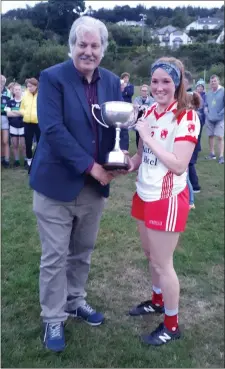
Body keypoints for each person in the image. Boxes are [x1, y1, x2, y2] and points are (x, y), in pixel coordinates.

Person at [29, 15, 129, 352]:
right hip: (56, 185)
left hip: (92, 190)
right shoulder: (53, 78)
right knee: (55, 256)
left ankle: (75, 300)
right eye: (82, 44)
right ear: (72, 45)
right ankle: (53, 318)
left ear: (103, 49)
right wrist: (93, 168)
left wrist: (121, 157)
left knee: (81, 253)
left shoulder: (112, 82)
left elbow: (119, 124)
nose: (88, 51)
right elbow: (53, 131)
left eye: (94, 45)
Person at [124, 57, 200, 346]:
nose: (159, 87)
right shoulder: (149, 112)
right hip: (144, 192)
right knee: (150, 256)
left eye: (166, 81)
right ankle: (157, 301)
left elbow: (179, 164)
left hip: (166, 198)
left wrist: (145, 134)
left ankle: (171, 325)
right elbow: (141, 156)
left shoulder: (186, 116)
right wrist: (123, 164)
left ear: (178, 83)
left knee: (163, 263)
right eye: (154, 81)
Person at [184, 70, 201, 197]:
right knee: (188, 168)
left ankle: (192, 192)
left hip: (190, 146)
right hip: (190, 145)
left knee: (188, 168)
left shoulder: (193, 117)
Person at [19, 78, 40, 169]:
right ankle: (29, 162)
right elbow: (21, 108)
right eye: (27, 86)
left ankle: (39, 161)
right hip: (27, 122)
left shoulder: (41, 95)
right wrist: (25, 113)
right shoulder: (25, 95)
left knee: (40, 143)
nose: (29, 88)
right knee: (28, 143)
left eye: (30, 86)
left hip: (38, 123)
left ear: (36, 86)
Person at [5, 83, 26, 167]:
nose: (17, 91)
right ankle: (16, 161)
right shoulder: (9, 102)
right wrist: (20, 113)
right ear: (13, 91)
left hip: (23, 125)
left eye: (19, 89)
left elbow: (25, 114)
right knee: (15, 145)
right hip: (13, 126)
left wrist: (14, 112)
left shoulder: (24, 102)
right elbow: (8, 114)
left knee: (23, 145)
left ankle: (25, 161)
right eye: (15, 90)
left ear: (21, 91)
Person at [205, 75, 224, 164]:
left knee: (220, 137)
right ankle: (212, 154)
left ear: (218, 81)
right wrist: (206, 112)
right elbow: (206, 105)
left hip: (220, 118)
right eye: (211, 81)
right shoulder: (208, 93)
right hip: (210, 118)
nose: (213, 83)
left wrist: (220, 113)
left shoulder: (223, 91)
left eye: (215, 81)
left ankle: (221, 156)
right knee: (210, 136)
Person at [1, 75, 11, 168]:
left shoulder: (8, 92)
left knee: (5, 140)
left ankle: (6, 160)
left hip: (4, 117)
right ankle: (1, 157)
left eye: (2, 81)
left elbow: (10, 104)